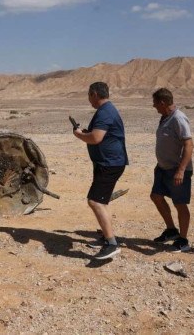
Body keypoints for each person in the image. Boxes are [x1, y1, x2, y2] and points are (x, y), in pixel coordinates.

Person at [73, 82, 128, 260]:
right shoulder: (107, 110)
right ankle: (107, 237)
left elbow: (96, 138)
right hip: (108, 162)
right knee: (101, 202)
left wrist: (79, 135)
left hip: (109, 164)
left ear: (95, 94)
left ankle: (111, 244)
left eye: (89, 95)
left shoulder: (105, 112)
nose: (89, 99)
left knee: (95, 201)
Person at [150, 88, 194, 252]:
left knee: (180, 204)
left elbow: (189, 145)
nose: (153, 106)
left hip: (177, 169)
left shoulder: (179, 118)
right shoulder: (165, 117)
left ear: (162, 102)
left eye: (155, 103)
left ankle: (183, 240)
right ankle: (171, 230)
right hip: (162, 168)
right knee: (156, 196)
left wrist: (181, 170)